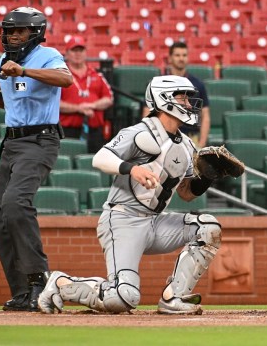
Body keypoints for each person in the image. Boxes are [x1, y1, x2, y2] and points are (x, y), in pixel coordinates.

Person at [38, 75, 221, 315]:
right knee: (123, 297)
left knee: (208, 228)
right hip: (123, 219)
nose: (188, 103)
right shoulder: (139, 131)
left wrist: (208, 176)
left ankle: (173, 298)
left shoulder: (187, 145)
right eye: (182, 97)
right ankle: (61, 283)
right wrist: (132, 168)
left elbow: (186, 194)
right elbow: (100, 158)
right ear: (164, 100)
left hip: (155, 221)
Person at [0, 7, 73, 312]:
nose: (12, 36)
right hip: (12, 142)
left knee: (16, 203)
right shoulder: (4, 61)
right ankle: (22, 292)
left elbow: (65, 79)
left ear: (35, 34)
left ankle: (40, 283)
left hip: (40, 140)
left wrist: (25, 71)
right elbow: (14, 100)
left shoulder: (47, 55)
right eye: (8, 31)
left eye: (19, 31)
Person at [142, 41, 210, 148]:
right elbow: (147, 112)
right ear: (170, 58)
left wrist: (201, 143)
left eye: (184, 55)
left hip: (191, 137)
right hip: (164, 136)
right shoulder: (158, 83)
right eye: (177, 55)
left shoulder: (198, 84)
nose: (181, 58)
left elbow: (205, 115)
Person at [59, 35, 114, 153]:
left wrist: (92, 106)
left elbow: (108, 98)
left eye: (81, 50)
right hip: (68, 130)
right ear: (67, 54)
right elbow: (53, 103)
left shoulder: (96, 75)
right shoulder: (60, 76)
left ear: (85, 53)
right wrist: (79, 108)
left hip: (94, 130)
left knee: (94, 162)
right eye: (74, 50)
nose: (78, 54)